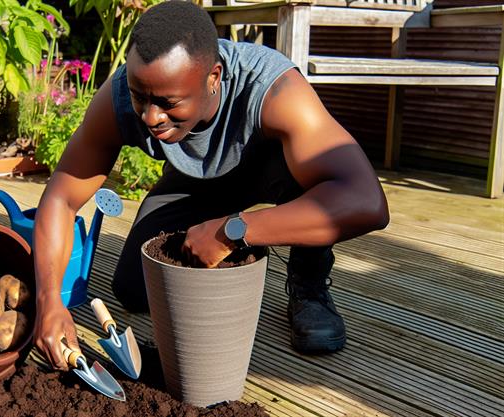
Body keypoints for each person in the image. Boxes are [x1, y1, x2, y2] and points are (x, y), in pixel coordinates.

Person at [32, 0, 389, 370]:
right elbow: (61, 198)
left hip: (276, 177)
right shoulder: (120, 96)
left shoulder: (274, 89)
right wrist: (49, 302)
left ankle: (309, 284)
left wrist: (232, 231)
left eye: (168, 102)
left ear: (213, 77)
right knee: (133, 289)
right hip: (195, 181)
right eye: (141, 97)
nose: (150, 116)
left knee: (310, 179)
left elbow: (367, 202)